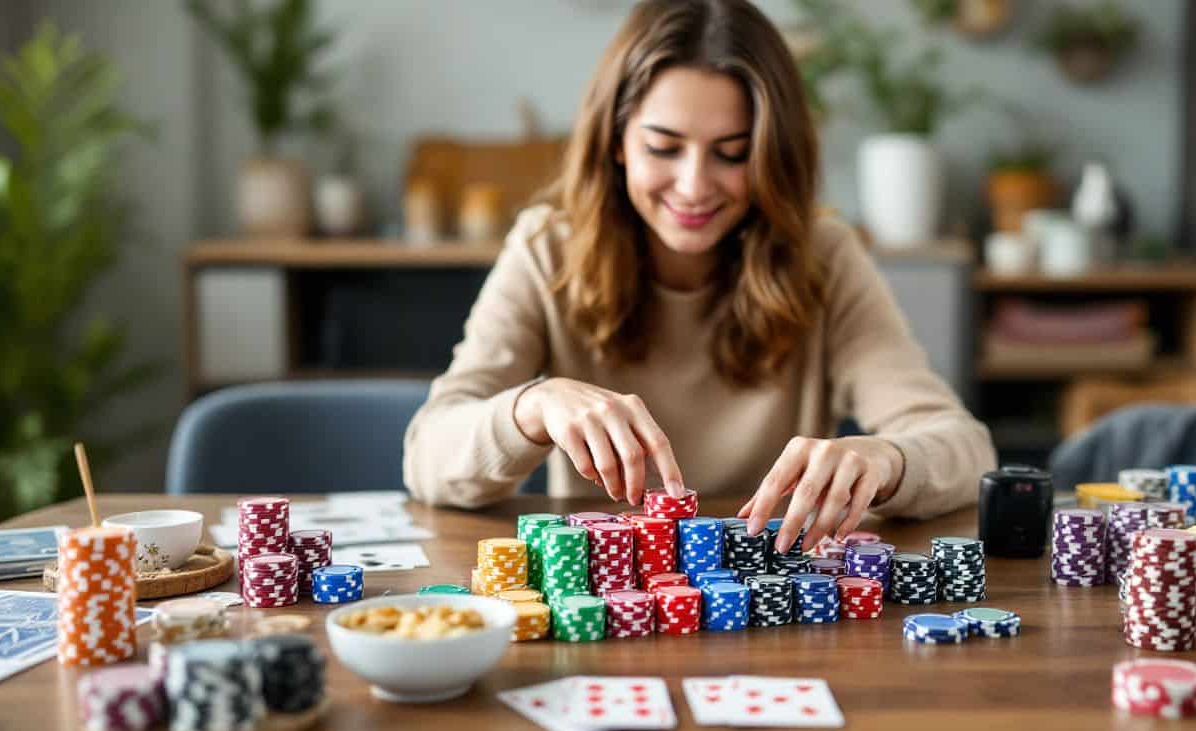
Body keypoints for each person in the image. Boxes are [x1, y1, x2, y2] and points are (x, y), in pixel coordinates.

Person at [403, 0, 996, 553]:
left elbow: (966, 451)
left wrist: (887, 458)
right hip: (610, 606)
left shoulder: (825, 255)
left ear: (771, 155)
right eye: (664, 147)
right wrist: (529, 407)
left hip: (772, 601)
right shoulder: (546, 247)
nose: (693, 186)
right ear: (616, 141)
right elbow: (426, 461)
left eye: (733, 154)